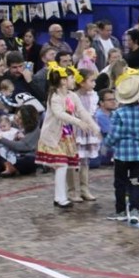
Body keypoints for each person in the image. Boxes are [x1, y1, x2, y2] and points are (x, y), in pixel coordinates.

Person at [36, 63, 100, 209]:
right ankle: (60, 197)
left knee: (63, 165)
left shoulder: (72, 95)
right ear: (63, 81)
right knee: (61, 165)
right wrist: (78, 122)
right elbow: (59, 114)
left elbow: (82, 111)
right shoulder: (54, 96)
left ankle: (60, 197)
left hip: (66, 134)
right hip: (54, 135)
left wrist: (93, 125)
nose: (74, 80)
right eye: (71, 78)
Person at [105, 71, 139, 224]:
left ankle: (121, 211)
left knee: (120, 183)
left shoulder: (118, 113)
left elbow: (114, 134)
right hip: (138, 153)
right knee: (136, 182)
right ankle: (135, 210)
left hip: (122, 154)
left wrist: (107, 143)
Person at [70, 68, 101, 203]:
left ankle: (84, 189)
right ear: (82, 82)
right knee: (74, 161)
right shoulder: (73, 96)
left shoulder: (93, 96)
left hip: (88, 130)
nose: (94, 83)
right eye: (91, 81)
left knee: (85, 160)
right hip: (76, 129)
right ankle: (72, 190)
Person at [0, 106, 40, 176]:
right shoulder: (12, 123)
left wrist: (0, 139)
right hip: (8, 154)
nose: (17, 118)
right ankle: (7, 166)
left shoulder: (35, 130)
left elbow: (20, 146)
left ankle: (8, 167)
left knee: (31, 160)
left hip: (22, 157)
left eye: (20, 118)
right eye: (17, 115)